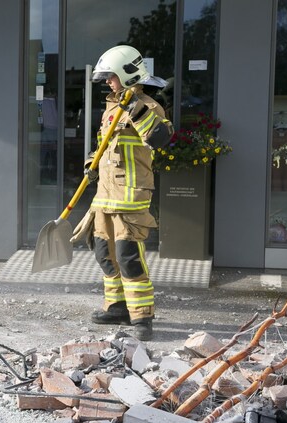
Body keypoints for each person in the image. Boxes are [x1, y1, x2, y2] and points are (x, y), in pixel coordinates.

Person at [77, 45, 173, 341]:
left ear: (128, 75)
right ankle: (116, 306)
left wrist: (137, 111)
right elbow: (104, 145)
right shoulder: (111, 108)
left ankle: (142, 317)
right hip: (105, 194)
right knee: (105, 254)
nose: (108, 82)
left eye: (112, 77)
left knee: (128, 256)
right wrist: (90, 163)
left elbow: (162, 138)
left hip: (131, 195)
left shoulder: (148, 105)